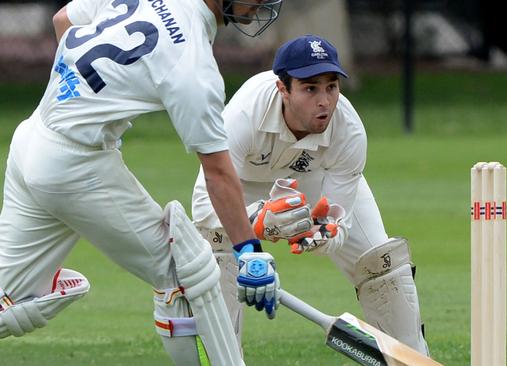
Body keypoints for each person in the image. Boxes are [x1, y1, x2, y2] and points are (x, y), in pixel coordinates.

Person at [0, 1, 305, 365]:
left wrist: (84, 102)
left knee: (7, 298)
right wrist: (249, 253)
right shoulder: (192, 64)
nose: (262, 2)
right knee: (185, 272)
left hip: (33, 137)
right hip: (75, 166)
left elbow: (63, 18)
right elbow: (218, 172)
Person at [192, 34, 431, 355]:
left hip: (316, 181)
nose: (325, 101)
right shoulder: (243, 115)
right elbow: (207, 198)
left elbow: (337, 223)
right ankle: (223, 361)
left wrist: (323, 235)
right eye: (310, 88)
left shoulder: (349, 131)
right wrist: (258, 220)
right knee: (217, 250)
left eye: (331, 87)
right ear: (283, 89)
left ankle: (413, 357)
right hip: (244, 185)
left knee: (381, 264)